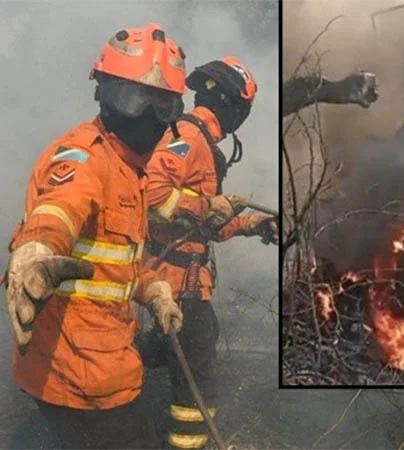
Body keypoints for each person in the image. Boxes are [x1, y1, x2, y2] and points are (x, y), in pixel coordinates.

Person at [0, 23, 186, 449]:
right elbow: (58, 209)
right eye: (132, 100)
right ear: (103, 94)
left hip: (101, 363)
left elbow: (114, 262)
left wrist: (155, 291)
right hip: (82, 376)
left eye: (161, 108)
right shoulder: (86, 158)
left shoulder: (130, 170)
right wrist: (36, 249)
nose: (147, 118)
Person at [140, 56, 278, 450]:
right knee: (198, 384)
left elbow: (203, 223)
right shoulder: (188, 136)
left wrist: (252, 224)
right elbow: (152, 194)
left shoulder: (197, 138)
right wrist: (204, 207)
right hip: (176, 283)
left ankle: (120, 374)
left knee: (167, 353)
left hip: (180, 280)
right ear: (234, 105)